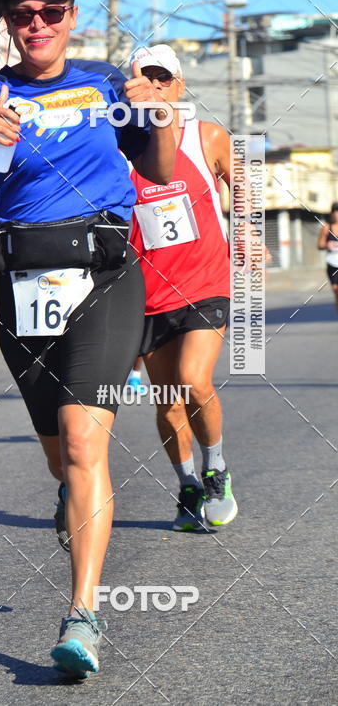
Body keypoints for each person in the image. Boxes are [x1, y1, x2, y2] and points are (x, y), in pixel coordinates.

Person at [0, 0, 176, 677]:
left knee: (83, 439)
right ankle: (71, 495)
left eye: (50, 11)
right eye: (23, 13)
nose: (37, 24)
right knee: (62, 457)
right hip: (21, 287)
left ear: (70, 17)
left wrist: (161, 113)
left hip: (105, 277)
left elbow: (156, 168)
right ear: (8, 22)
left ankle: (82, 616)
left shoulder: (103, 83)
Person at [128, 44, 237, 532]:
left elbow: (247, 183)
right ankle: (188, 485)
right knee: (168, 399)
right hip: (147, 293)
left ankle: (216, 469)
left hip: (206, 282)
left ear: (180, 84)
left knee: (194, 379)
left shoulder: (206, 136)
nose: (154, 87)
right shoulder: (120, 147)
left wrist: (253, 233)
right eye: (143, 79)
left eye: (163, 78)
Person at [317, 202, 338, 311]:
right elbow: (319, 245)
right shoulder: (326, 228)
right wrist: (327, 245)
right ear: (332, 213)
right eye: (336, 212)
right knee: (336, 290)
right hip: (332, 263)